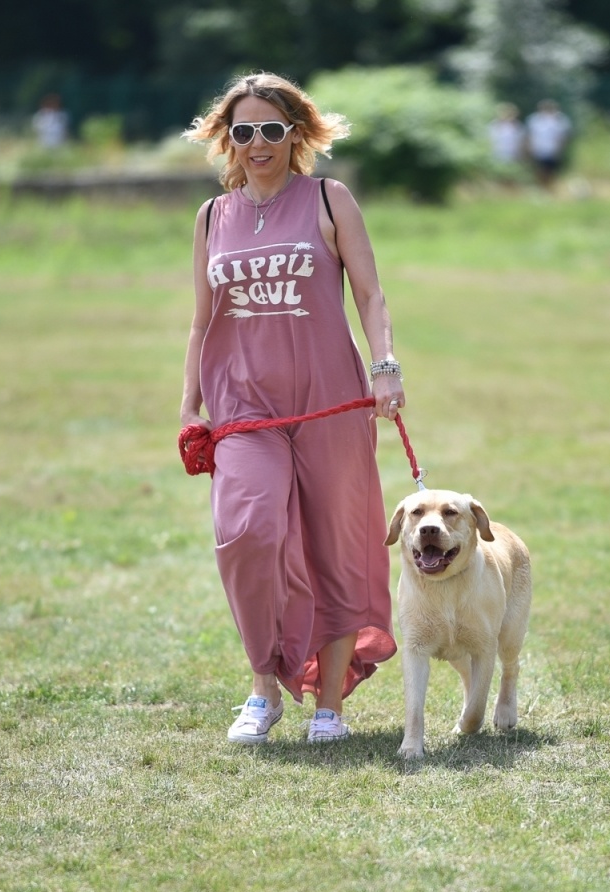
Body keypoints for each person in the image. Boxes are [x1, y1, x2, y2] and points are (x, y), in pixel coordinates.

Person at [181, 72, 404, 745]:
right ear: (227, 138)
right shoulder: (212, 217)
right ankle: (264, 686)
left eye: (270, 130)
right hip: (243, 406)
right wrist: (190, 406)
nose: (256, 143)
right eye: (242, 131)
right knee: (248, 535)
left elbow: (370, 296)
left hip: (330, 400)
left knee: (336, 548)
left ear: (296, 134)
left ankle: (329, 705)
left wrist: (385, 367)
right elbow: (201, 321)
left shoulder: (329, 200)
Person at [526, 98, 573, 189]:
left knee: (551, 172)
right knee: (539, 171)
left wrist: (561, 148)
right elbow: (529, 135)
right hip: (538, 150)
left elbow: (564, 136)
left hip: (553, 151)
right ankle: (542, 188)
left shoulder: (560, 120)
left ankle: (550, 188)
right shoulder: (534, 120)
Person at [489, 103, 525, 168]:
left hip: (513, 154)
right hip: (497, 153)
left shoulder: (517, 126)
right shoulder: (495, 125)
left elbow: (521, 141)